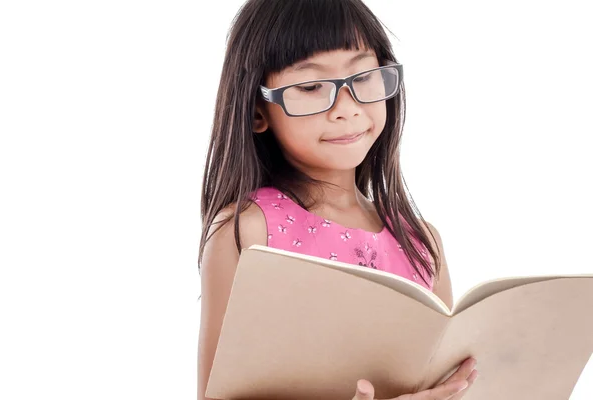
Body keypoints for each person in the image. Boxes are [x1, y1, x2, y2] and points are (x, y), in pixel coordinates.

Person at [197, 0, 478, 399]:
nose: (346, 109)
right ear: (258, 109)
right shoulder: (250, 229)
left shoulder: (421, 242)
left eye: (364, 77)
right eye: (311, 87)